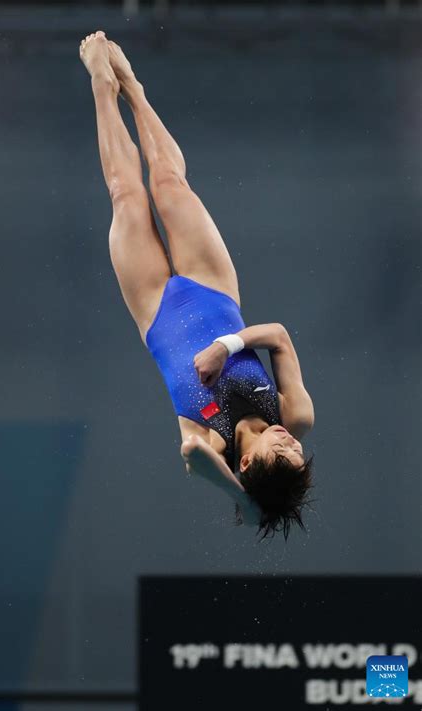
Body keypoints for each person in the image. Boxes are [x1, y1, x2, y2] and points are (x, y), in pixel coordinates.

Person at [79, 31, 315, 540]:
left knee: (126, 196)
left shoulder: (210, 443)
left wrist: (241, 501)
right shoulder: (294, 414)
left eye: (284, 453)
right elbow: (279, 335)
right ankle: (134, 89)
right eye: (297, 451)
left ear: (248, 467)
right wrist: (225, 345)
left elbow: (190, 455)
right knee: (169, 184)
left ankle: (101, 85)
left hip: (155, 311)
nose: (291, 442)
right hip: (214, 291)